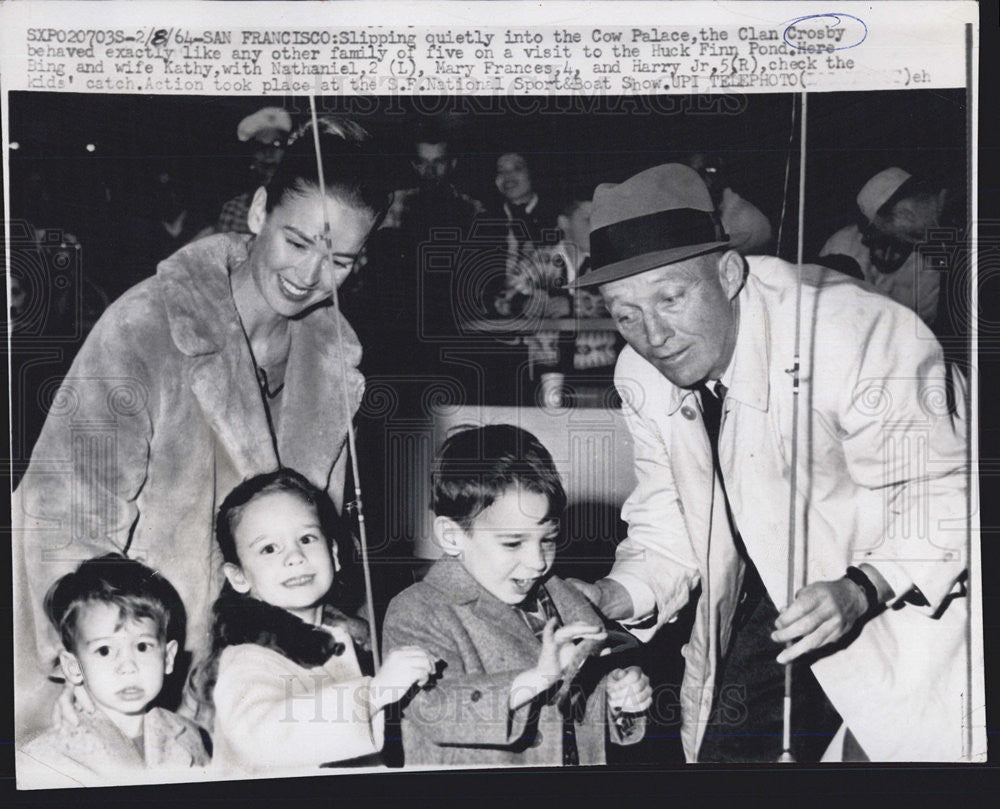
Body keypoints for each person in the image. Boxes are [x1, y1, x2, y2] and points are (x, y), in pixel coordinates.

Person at [567, 163, 969, 762]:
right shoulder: (640, 373)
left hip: (901, 586)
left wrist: (862, 589)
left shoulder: (848, 332)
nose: (654, 334)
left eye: (671, 298)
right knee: (730, 760)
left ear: (728, 272)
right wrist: (611, 595)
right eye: (625, 314)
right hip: (772, 593)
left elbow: (946, 494)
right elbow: (670, 521)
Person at [12, 116, 394, 745]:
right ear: (260, 211)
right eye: (297, 242)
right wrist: (110, 685)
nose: (310, 275)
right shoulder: (143, 327)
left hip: (256, 685)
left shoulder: (335, 365)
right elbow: (63, 521)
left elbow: (305, 539)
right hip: (124, 685)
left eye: (341, 260)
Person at [383, 425, 651, 767]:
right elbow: (435, 709)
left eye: (548, 539)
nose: (538, 561)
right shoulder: (417, 611)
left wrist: (619, 703)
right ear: (452, 536)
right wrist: (537, 679)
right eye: (513, 543)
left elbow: (579, 709)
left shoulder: (564, 598)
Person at [200, 469, 435, 775]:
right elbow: (267, 738)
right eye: (269, 548)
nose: (295, 556)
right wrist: (376, 694)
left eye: (307, 538)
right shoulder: (246, 658)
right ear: (239, 577)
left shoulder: (345, 642)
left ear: (334, 554)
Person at [17, 554, 209, 788]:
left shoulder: (190, 737)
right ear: (73, 666)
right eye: (105, 650)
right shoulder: (43, 761)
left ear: (168, 658)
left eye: (142, 646)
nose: (128, 667)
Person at [496, 192, 621, 379]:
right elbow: (501, 299)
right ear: (564, 223)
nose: (596, 227)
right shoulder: (540, 260)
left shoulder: (610, 264)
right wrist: (523, 303)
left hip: (600, 366)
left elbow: (622, 302)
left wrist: (573, 305)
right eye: (588, 220)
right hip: (545, 367)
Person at [819, 167, 959, 332]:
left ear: (906, 214)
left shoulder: (961, 214)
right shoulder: (842, 245)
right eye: (913, 236)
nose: (923, 241)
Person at [215, 106, 293, 235]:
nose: (269, 153)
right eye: (261, 146)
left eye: (277, 144)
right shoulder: (234, 208)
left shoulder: (297, 205)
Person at [688, 152, 773, 255]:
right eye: (691, 172)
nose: (695, 180)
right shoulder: (697, 211)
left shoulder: (747, 217)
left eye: (703, 173)